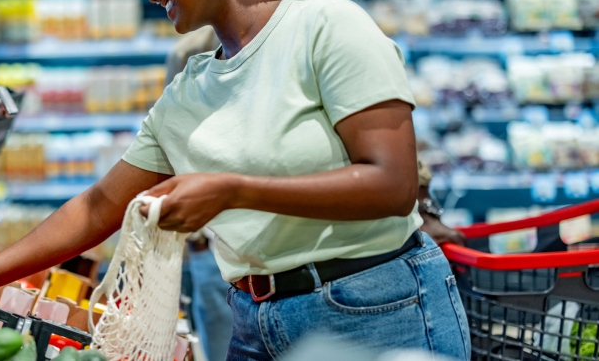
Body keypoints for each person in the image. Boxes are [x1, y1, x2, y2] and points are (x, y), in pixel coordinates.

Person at [0, 0, 470, 360]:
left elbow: (392, 184)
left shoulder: (326, 26)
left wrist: (232, 190)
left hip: (373, 310)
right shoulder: (188, 90)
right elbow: (98, 207)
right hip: (253, 323)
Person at [166, 28, 467, 360]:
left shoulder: (315, 31)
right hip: (235, 270)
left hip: (350, 277)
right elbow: (175, 143)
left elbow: (385, 146)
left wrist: (424, 207)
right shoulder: (191, 55)